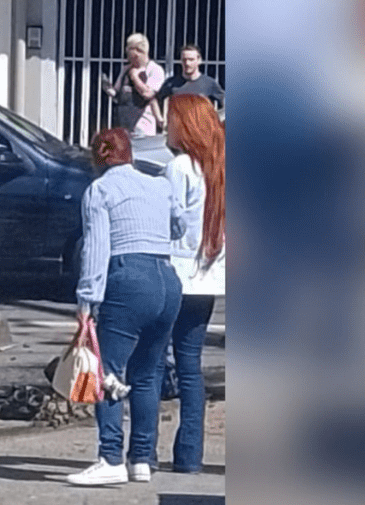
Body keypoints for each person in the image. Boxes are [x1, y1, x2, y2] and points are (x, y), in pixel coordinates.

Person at [67, 128, 185, 487]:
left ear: (98, 159)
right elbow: (179, 225)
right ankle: (142, 459)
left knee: (109, 372)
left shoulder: (99, 191)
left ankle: (109, 457)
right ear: (130, 154)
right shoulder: (159, 185)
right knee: (148, 375)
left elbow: (96, 249)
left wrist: (87, 300)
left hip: (127, 277)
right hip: (167, 278)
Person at [158, 94, 226, 474]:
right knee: (190, 367)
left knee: (151, 365)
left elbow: (167, 222)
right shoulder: (220, 168)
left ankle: (142, 452)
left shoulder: (180, 167)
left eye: (171, 120)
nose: (166, 126)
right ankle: (189, 456)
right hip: (208, 280)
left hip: (176, 275)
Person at [101, 33, 166, 136]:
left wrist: (135, 77)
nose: (128, 58)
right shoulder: (125, 69)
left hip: (142, 125)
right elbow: (117, 93)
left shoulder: (154, 70)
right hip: (122, 124)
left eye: (130, 54)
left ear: (138, 52)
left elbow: (148, 94)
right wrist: (107, 87)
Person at [156, 44, 225, 112]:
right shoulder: (171, 83)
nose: (187, 63)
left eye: (191, 59)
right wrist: (160, 119)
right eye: (184, 60)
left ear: (199, 60)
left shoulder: (209, 84)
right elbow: (156, 101)